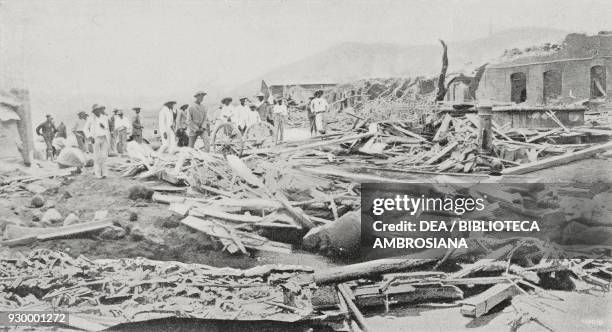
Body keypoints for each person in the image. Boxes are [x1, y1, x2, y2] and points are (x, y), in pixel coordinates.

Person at [84, 104, 111, 178]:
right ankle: (98, 174)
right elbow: (85, 129)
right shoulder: (90, 119)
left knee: (104, 156)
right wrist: (90, 137)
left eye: (99, 110)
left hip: (104, 138)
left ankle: (105, 173)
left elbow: (107, 129)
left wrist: (104, 127)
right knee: (97, 157)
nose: (98, 111)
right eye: (96, 110)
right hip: (96, 139)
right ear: (94, 111)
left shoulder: (105, 118)